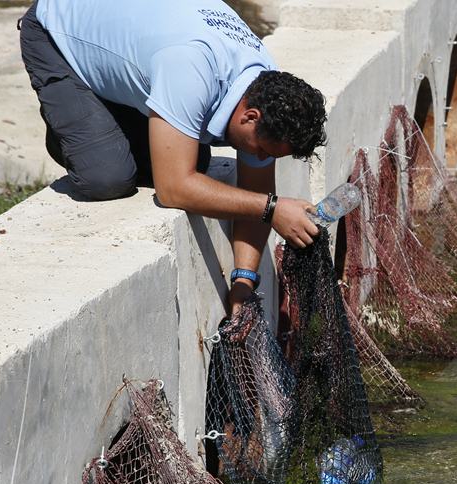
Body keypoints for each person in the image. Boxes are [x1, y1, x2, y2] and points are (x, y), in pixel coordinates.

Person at [17, 0, 326, 312]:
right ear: (250, 117)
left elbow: (256, 194)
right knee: (105, 177)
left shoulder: (267, 92)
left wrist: (244, 282)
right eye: (262, 150)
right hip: (57, 30)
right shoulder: (190, 67)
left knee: (196, 165)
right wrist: (274, 209)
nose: (260, 157)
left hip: (143, 37)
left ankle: (108, 111)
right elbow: (173, 189)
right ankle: (71, 127)